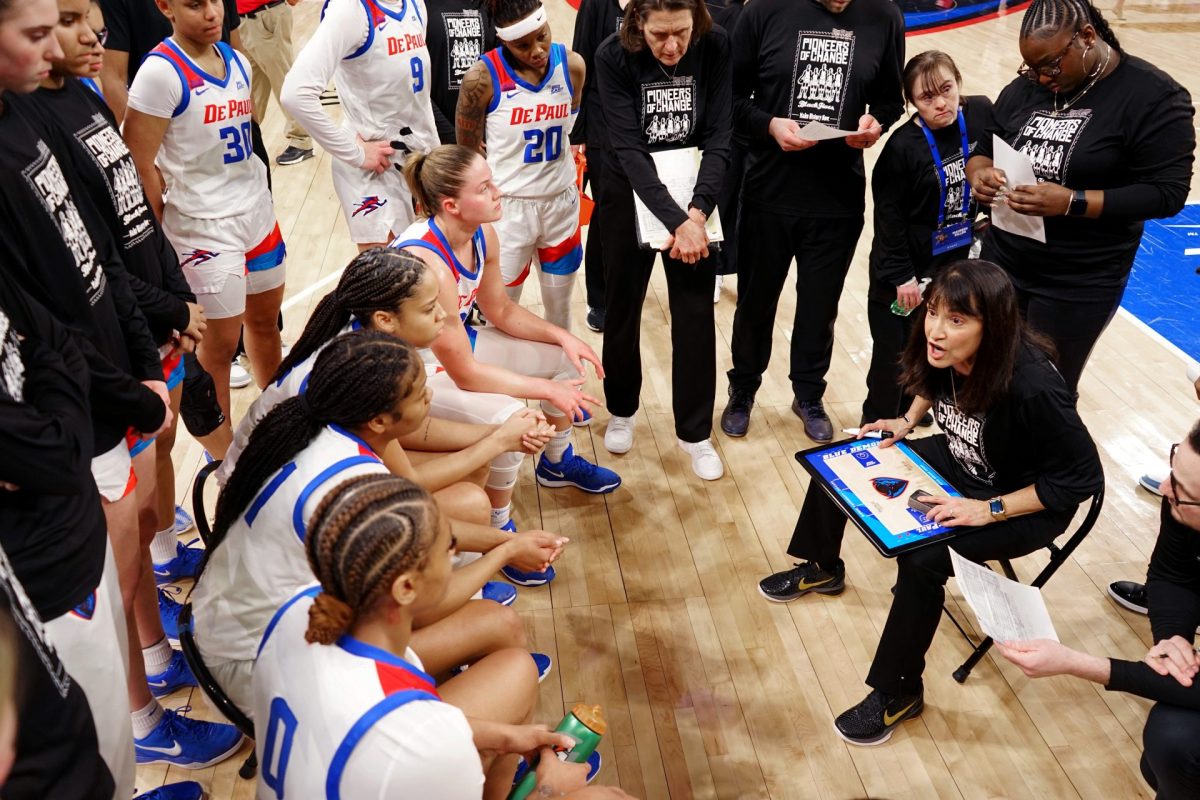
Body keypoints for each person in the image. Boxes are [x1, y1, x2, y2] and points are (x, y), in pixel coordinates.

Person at [757, 260, 1105, 746]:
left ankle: (898, 692)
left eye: (957, 320)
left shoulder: (1035, 387)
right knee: (846, 458)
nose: (936, 331)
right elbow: (933, 380)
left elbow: (1082, 479)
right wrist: (904, 421)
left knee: (922, 559)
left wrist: (987, 510)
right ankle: (821, 565)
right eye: (934, 313)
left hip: (1023, 500)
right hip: (966, 462)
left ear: (995, 326)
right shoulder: (942, 349)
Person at [191, 330, 550, 715]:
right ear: (379, 421)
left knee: (468, 537)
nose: (430, 397)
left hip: (227, 627)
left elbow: (428, 529)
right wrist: (506, 552)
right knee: (504, 633)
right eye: (420, 393)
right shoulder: (351, 490)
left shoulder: (327, 430)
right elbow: (423, 598)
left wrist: (503, 542)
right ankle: (460, 745)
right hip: (265, 673)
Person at [252, 473, 631, 799]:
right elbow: (420, 739)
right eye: (446, 551)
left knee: (516, 672)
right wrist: (549, 790)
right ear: (404, 588)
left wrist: (506, 737)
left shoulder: (299, 619)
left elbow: (410, 726)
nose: (454, 555)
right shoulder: (428, 748)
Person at [215, 248, 564, 587]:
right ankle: (446, 592)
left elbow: (407, 433)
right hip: (273, 516)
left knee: (474, 468)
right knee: (470, 504)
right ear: (386, 318)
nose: (444, 315)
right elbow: (409, 479)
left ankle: (451, 574)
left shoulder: (366, 340)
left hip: (283, 483)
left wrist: (494, 432)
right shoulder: (360, 373)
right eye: (430, 309)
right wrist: (498, 441)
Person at [965, 0, 1194, 394]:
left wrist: (1072, 201)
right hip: (1004, 261)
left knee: (1042, 390)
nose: (1039, 78)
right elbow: (984, 147)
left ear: (1087, 37)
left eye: (1050, 66)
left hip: (1077, 280)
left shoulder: (1154, 96)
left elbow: (1166, 193)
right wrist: (979, 174)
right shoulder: (1024, 90)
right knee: (981, 377)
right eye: (1031, 69)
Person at [395, 145, 623, 507]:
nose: (497, 191)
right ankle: (497, 525)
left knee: (565, 359)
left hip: (451, 350)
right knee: (516, 423)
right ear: (451, 205)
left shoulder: (482, 233)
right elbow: (466, 375)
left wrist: (562, 336)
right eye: (484, 188)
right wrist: (544, 390)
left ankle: (557, 463)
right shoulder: (428, 264)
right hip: (409, 376)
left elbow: (500, 309)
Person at [720, 0, 904, 442]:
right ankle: (743, 387)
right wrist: (769, 125)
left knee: (820, 308)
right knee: (755, 302)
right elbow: (728, 97)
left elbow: (889, 100)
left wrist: (875, 122)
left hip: (837, 199)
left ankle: (808, 393)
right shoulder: (762, 11)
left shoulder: (884, 15)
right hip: (769, 190)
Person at [997, 421, 1200, 799]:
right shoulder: (1183, 498)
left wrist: (1076, 663)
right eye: (1174, 468)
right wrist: (1174, 639)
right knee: (1168, 745)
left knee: (1176, 742)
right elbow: (1173, 573)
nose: (1165, 489)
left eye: (1183, 492)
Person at [124, 0, 288, 415]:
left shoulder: (237, 60)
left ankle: (279, 421)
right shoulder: (159, 73)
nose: (212, 12)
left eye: (215, 0)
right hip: (203, 229)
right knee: (219, 350)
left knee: (267, 325)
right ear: (165, 7)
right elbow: (139, 161)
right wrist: (159, 242)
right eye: (195, 5)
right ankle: (222, 454)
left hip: (256, 214)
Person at [593, 0, 730, 480]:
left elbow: (719, 136)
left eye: (682, 33)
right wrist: (678, 222)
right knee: (623, 307)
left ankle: (695, 434)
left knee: (695, 315)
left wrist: (698, 211)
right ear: (638, 25)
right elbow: (629, 150)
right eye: (660, 36)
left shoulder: (715, 45)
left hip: (695, 196)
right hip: (629, 191)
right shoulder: (613, 56)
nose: (672, 46)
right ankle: (622, 409)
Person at [861, 51, 991, 424]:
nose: (940, 104)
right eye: (926, 98)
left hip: (952, 263)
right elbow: (888, 222)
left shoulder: (981, 114)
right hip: (903, 270)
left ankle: (914, 410)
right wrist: (902, 276)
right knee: (894, 358)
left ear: (958, 84)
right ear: (911, 103)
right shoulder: (901, 148)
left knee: (937, 349)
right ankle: (877, 423)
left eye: (946, 91)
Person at [455, 0, 585, 332]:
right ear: (504, 41)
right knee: (500, 314)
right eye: (523, 45)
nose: (537, 50)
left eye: (541, 36)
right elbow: (467, 156)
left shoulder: (572, 66)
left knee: (559, 311)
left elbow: (570, 130)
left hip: (561, 205)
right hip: (508, 211)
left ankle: (563, 376)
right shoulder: (480, 79)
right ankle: (501, 383)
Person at [280, 0, 439, 250]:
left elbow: (417, 95)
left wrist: (434, 152)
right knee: (392, 282)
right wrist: (354, 153)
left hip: (418, 161)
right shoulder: (350, 9)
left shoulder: (415, 4)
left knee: (424, 275)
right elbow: (295, 93)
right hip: (377, 170)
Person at [570, 0, 626, 333]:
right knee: (606, 211)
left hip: (645, 126)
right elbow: (581, 64)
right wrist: (580, 131)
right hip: (602, 123)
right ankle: (600, 297)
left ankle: (625, 286)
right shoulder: (597, 5)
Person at [236, 0, 313, 165]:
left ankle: (302, 139)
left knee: (283, 81)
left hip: (266, 16)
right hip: (243, 20)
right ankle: (246, 136)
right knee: (251, 87)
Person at [426, 0, 494, 144]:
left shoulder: (490, 5)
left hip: (483, 138)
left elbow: (501, 73)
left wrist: (476, 137)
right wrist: (454, 138)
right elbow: (416, 89)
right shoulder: (418, 6)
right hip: (436, 138)